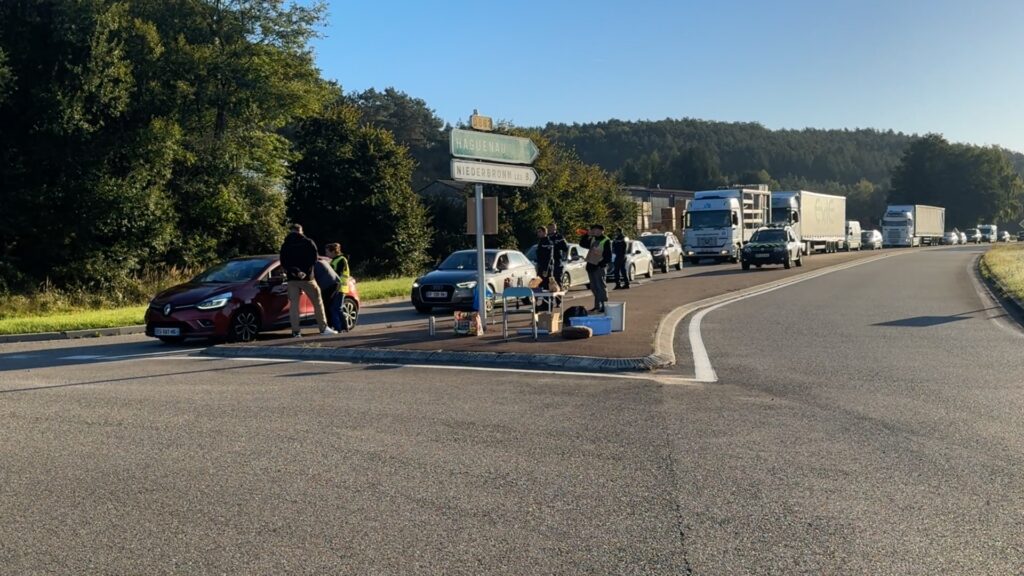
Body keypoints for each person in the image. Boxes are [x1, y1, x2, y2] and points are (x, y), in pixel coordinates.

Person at [279, 224, 335, 337]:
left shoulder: (285, 245)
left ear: (291, 231)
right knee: (317, 301)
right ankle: (323, 328)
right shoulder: (308, 242)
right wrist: (304, 272)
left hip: (292, 278)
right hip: (307, 277)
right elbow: (314, 259)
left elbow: (284, 262)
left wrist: (295, 271)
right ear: (301, 231)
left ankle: (296, 331)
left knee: (294, 305)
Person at [579, 224, 612, 312]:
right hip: (591, 266)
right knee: (594, 287)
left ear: (601, 231)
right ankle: (597, 306)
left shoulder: (606, 240)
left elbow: (608, 256)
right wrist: (586, 235)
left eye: (595, 230)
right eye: (593, 229)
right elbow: (582, 244)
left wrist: (600, 264)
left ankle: (604, 306)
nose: (594, 231)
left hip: (599, 267)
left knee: (601, 287)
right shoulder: (593, 239)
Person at [325, 243, 351, 331]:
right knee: (337, 308)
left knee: (335, 308)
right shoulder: (335, 260)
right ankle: (344, 327)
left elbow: (337, 274)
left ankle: (339, 328)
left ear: (333, 251)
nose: (326, 254)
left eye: (327, 252)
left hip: (340, 287)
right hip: (338, 287)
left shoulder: (341, 259)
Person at [314, 258, 342, 332]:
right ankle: (338, 326)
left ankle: (330, 326)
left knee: (326, 306)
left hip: (328, 286)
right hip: (336, 283)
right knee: (332, 307)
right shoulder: (321, 261)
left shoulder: (314, 264)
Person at [547, 222, 569, 287]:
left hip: (557, 261)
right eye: (549, 228)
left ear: (555, 228)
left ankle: (558, 296)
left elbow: (565, 248)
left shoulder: (560, 237)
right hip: (548, 262)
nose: (550, 229)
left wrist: (556, 245)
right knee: (548, 280)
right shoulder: (546, 238)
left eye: (552, 228)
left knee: (557, 279)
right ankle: (549, 296)